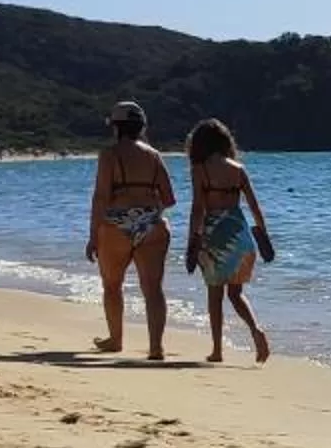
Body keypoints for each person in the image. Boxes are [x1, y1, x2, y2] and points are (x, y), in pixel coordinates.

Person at [85, 102, 175, 360]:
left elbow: (101, 197)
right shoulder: (155, 155)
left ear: (116, 127)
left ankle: (116, 339)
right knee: (153, 288)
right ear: (141, 126)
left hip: (116, 222)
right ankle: (156, 347)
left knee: (112, 286)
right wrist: (145, 207)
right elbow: (169, 199)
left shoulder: (109, 155)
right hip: (151, 222)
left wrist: (93, 236)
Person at [182, 118, 273, 364]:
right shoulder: (238, 169)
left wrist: (193, 240)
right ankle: (256, 330)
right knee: (236, 293)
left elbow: (198, 208)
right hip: (239, 235)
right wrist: (264, 236)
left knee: (215, 295)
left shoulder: (199, 170)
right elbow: (254, 206)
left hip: (215, 235)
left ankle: (217, 350)